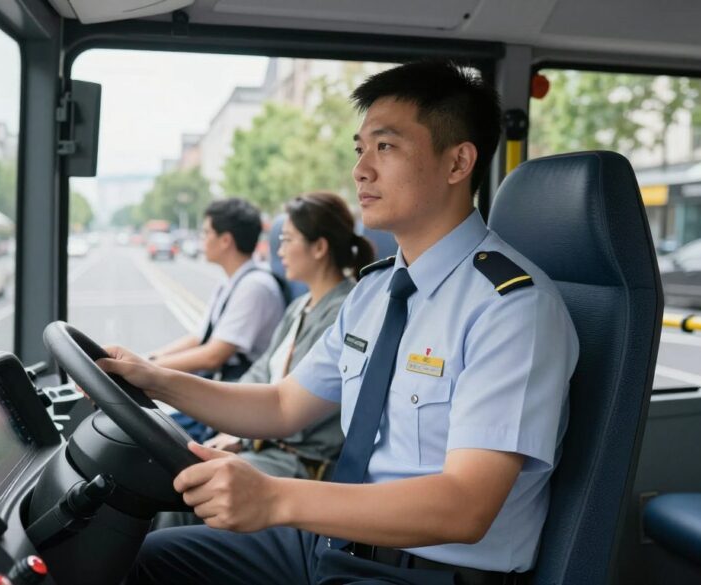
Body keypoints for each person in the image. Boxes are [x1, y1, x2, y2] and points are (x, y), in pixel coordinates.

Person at [101, 60, 579, 584]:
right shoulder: (374, 292)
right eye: (360, 149)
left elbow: (465, 506)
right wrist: (154, 379)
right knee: (145, 559)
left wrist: (277, 498)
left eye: (386, 147)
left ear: (458, 162)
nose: (361, 170)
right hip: (333, 545)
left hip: (427, 571)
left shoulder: (511, 308)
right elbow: (284, 404)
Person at [153, 191, 374, 530]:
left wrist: (241, 438)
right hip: (268, 444)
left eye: (287, 240)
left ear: (319, 247)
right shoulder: (299, 307)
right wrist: (228, 426)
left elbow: (299, 405)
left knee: (189, 489)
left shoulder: (343, 312)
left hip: (300, 461)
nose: (278, 251)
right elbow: (261, 371)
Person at [149, 198, 287, 440]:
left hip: (238, 399)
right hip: (221, 390)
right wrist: (152, 358)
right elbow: (200, 338)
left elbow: (214, 355)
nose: (202, 240)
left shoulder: (255, 287)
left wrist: (148, 371)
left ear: (225, 241)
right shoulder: (230, 282)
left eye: (206, 233)